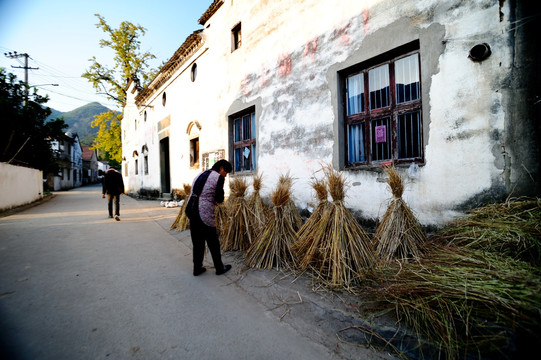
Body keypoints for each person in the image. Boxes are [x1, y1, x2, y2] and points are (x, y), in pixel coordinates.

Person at [185, 159, 232, 276]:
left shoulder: (201, 173)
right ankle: (219, 268)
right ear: (221, 168)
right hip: (203, 212)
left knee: (197, 242)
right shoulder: (218, 177)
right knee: (213, 241)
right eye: (226, 172)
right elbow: (219, 199)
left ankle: (197, 268)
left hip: (190, 209)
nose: (225, 175)